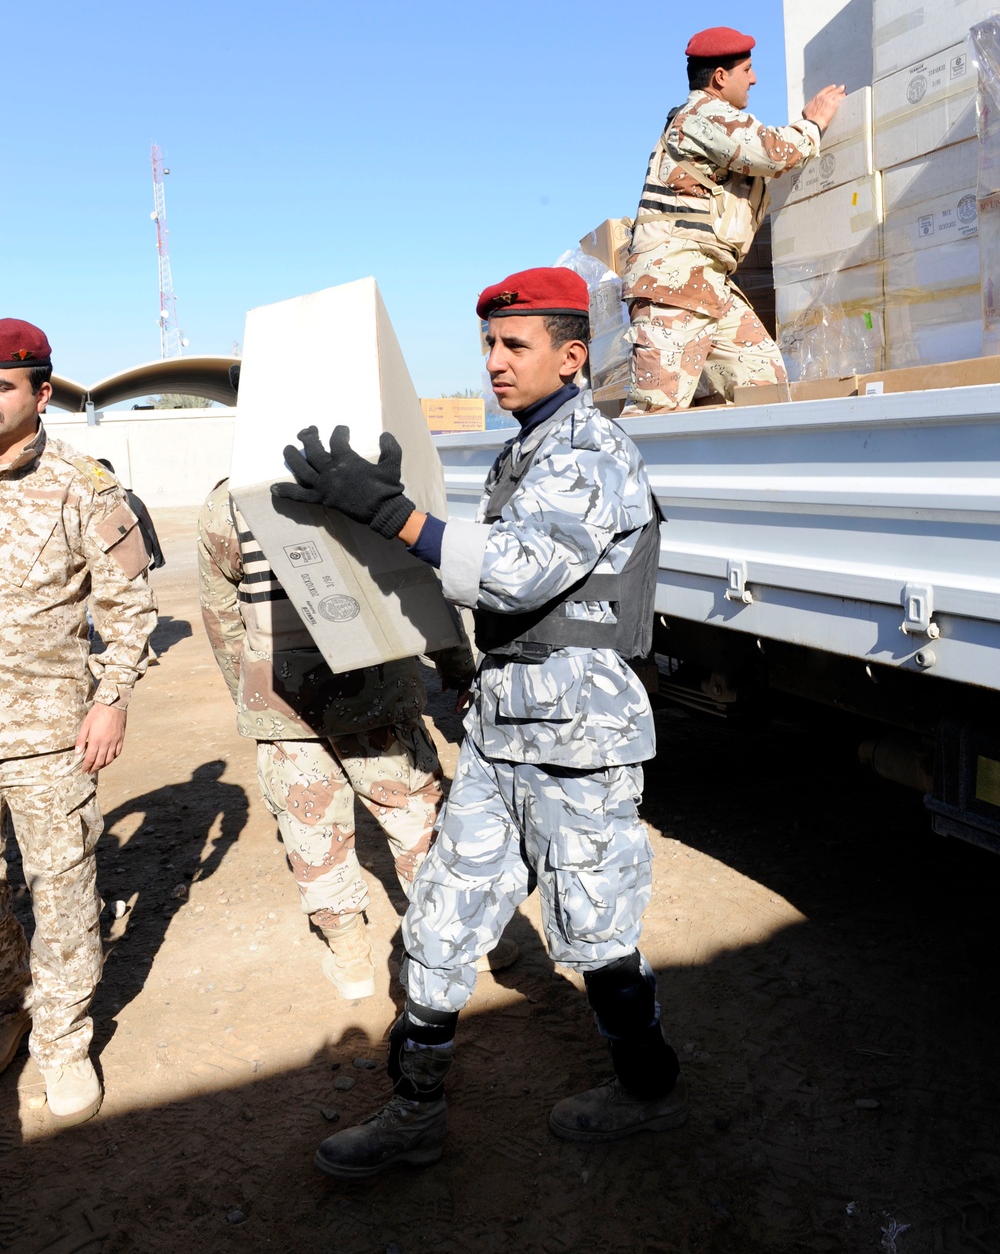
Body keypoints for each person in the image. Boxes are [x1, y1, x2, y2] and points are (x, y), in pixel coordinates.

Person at [275, 265, 683, 1176]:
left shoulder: (590, 453)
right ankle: (414, 1113)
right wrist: (390, 531)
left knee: (597, 932)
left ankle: (649, 1088)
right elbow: (491, 596)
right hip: (503, 730)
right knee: (441, 923)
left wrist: (393, 512)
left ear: (572, 356)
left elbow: (515, 573)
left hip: (579, 739)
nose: (494, 362)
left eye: (515, 345)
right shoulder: (524, 453)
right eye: (488, 345)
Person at [197, 479, 513, 999]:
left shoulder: (227, 497)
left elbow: (223, 613)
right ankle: (461, 940)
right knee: (416, 816)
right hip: (377, 687)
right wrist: (456, 663)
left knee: (310, 829)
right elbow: (416, 580)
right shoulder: (362, 477)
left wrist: (249, 694)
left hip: (283, 698)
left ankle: (350, 958)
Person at [0, 319, 155, 1124]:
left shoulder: (82, 484)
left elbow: (128, 604)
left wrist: (111, 695)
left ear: (41, 394)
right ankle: (10, 1013)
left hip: (47, 735)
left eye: (2, 387)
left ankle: (63, 1040)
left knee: (59, 891)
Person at [622, 26, 845, 413]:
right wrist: (813, 123)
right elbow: (774, 153)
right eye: (748, 70)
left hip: (709, 284)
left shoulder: (708, 120)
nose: (755, 79)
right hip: (671, 288)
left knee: (764, 386)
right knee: (655, 414)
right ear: (720, 77)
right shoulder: (700, 115)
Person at [95, 460, 165, 571]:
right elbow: (149, 526)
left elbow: (148, 527)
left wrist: (158, 558)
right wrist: (158, 558)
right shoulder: (130, 497)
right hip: (133, 560)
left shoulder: (96, 501)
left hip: (129, 560)